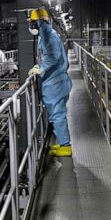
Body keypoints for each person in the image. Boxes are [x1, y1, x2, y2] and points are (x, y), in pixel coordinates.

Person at [27, 8, 72, 156]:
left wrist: (41, 68)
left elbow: (53, 56)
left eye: (31, 23)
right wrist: (39, 66)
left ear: (37, 23)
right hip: (54, 82)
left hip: (56, 83)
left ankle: (65, 146)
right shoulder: (45, 35)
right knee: (55, 114)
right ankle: (62, 142)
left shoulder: (48, 35)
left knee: (58, 115)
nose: (30, 26)